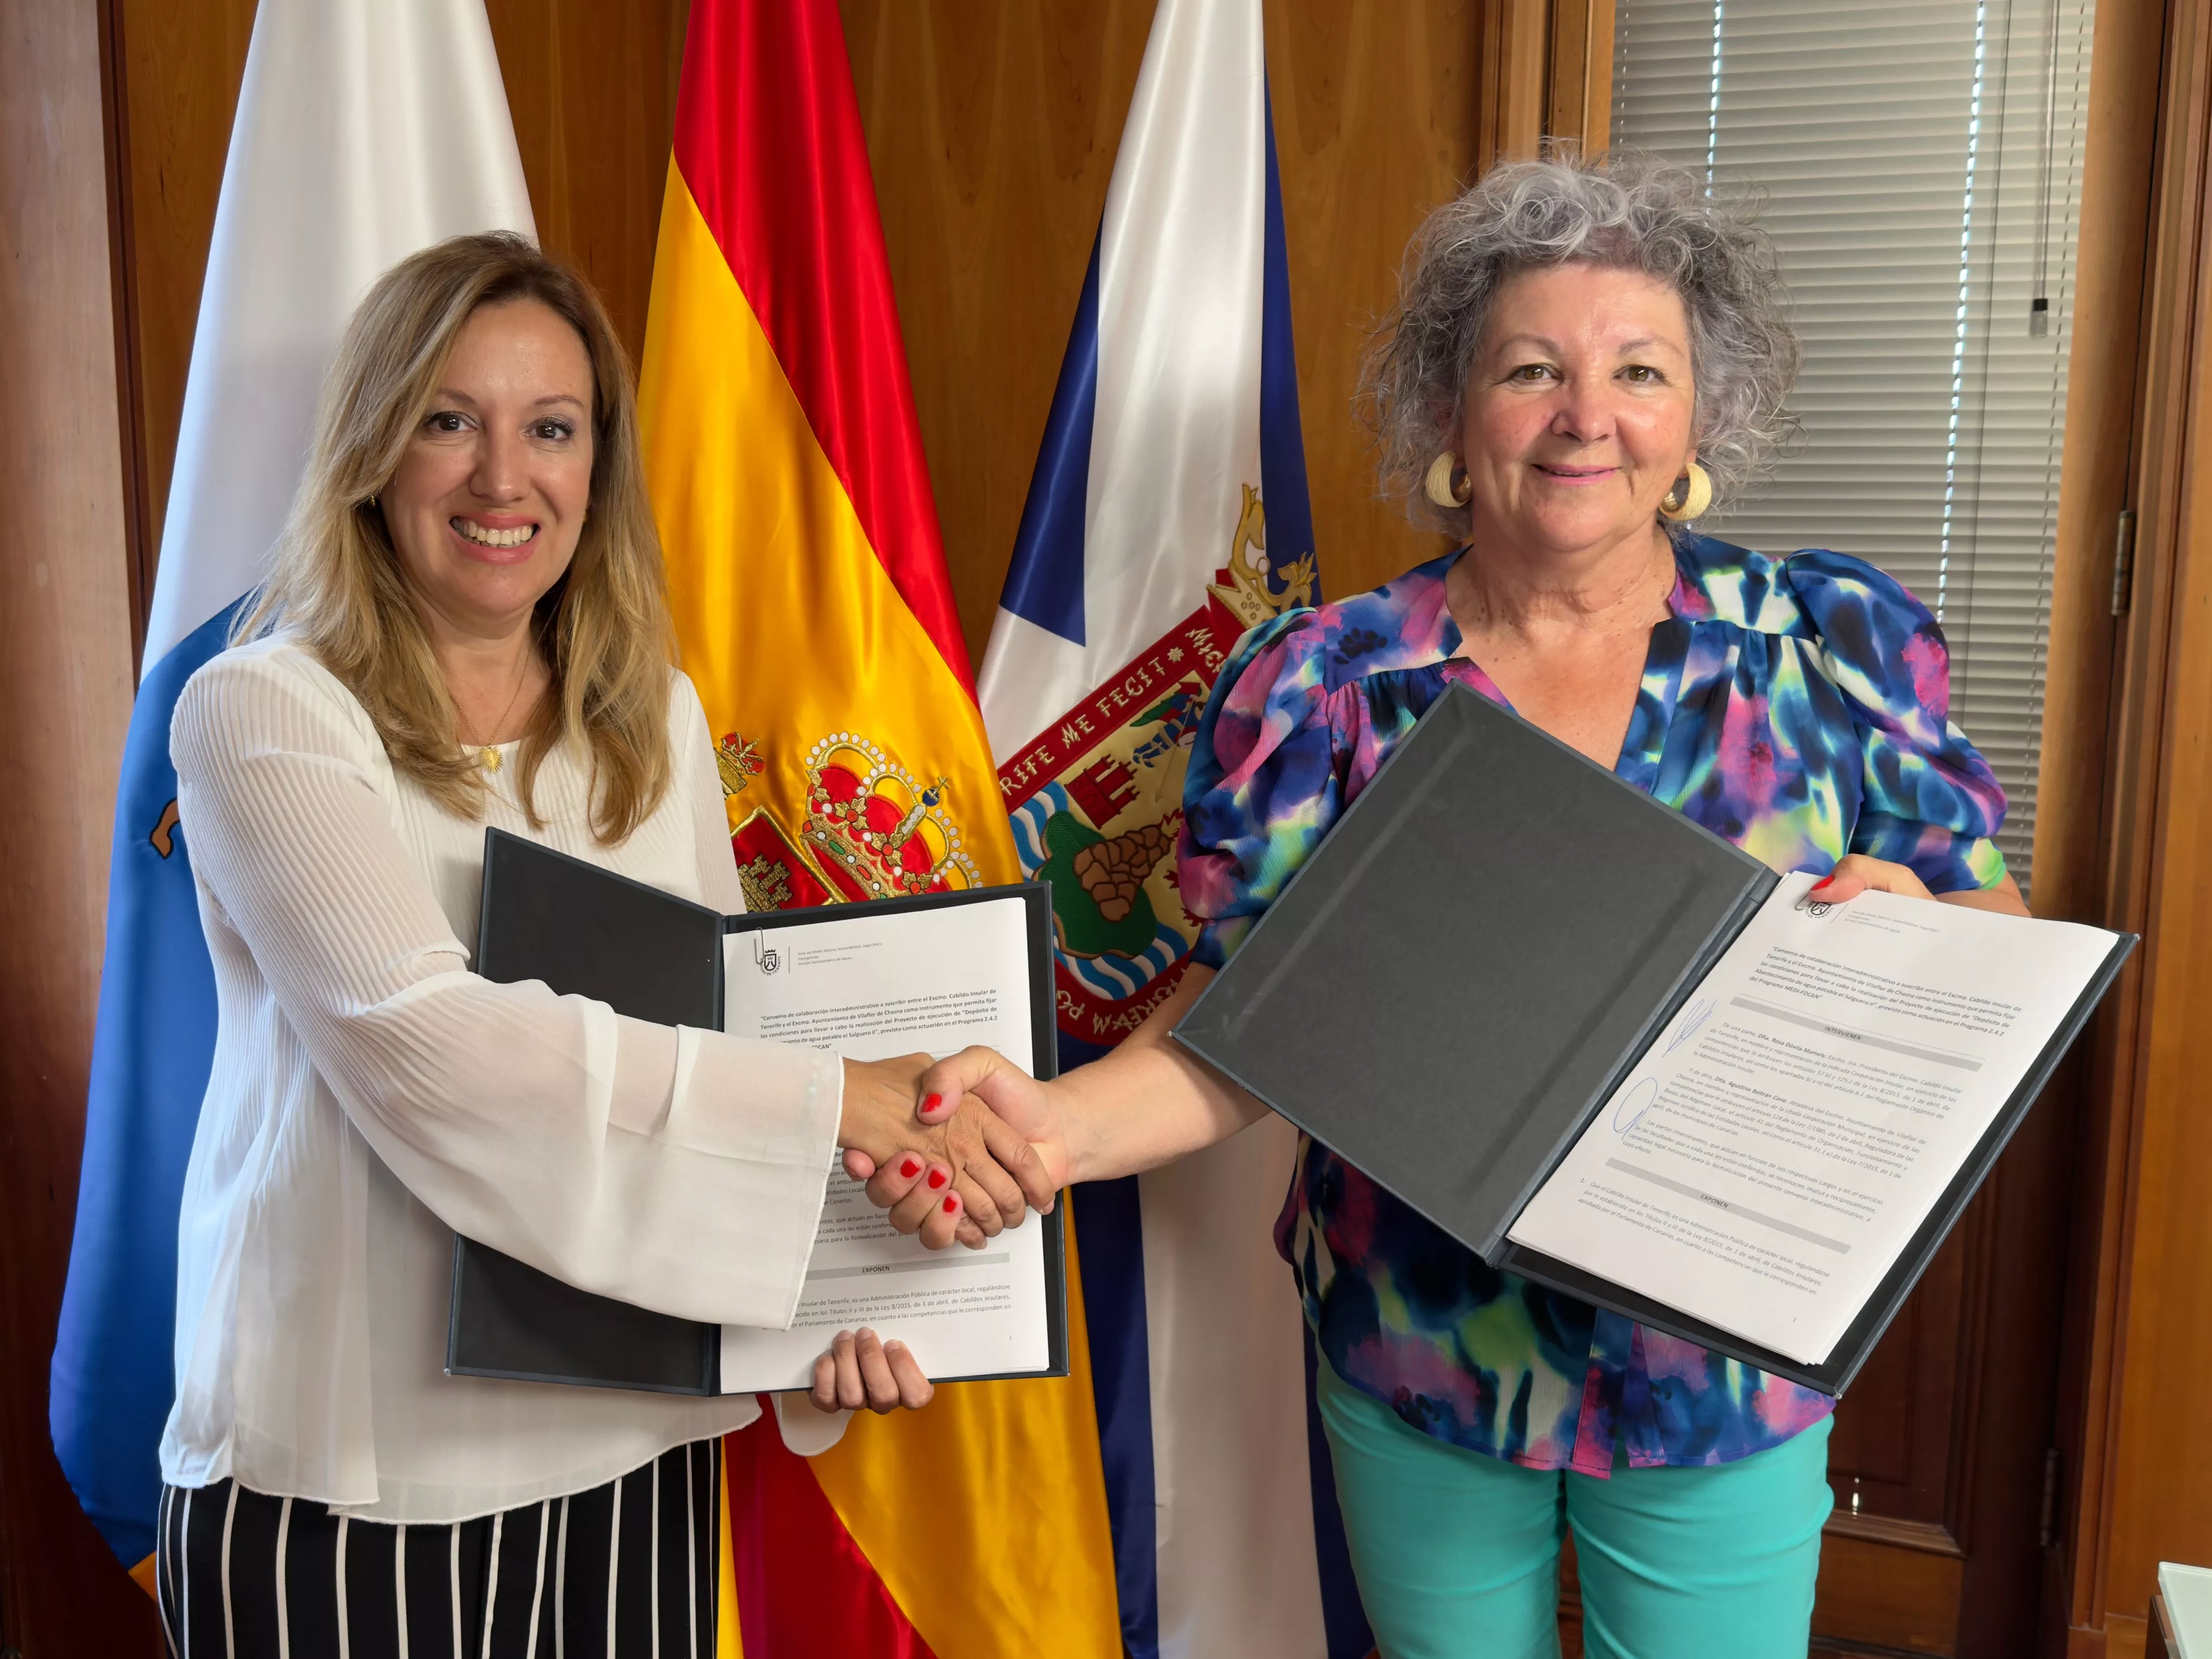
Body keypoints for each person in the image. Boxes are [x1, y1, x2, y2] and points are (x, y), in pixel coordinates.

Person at [858, 155, 2030, 1657]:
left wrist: (1916, 944)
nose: (1584, 416)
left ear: (1698, 422)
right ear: (1453, 418)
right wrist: (1049, 1128)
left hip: (1721, 1365)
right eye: (1531, 369)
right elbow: (1250, 1021)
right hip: (1420, 1343)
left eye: (1639, 372)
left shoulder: (1833, 644)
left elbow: (1988, 941)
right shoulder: (1327, 683)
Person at [155, 232, 1049, 1657]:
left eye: (551, 429)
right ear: (374, 451)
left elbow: (719, 1046)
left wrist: (844, 1313)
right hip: (353, 1494)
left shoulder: (653, 720)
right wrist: (842, 1105)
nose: (504, 477)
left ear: (596, 466)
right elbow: (427, 1045)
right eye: (449, 420)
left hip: (631, 1465)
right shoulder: (265, 711)